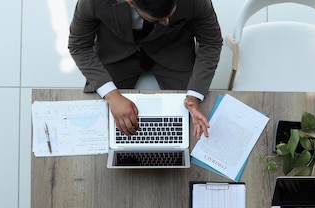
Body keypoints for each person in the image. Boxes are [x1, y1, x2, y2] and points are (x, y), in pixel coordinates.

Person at [68, 0, 223, 139]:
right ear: (130, 2)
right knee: (102, 125)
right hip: (116, 52)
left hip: (172, 49)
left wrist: (194, 96)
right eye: (158, 19)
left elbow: (211, 43)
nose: (167, 21)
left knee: (189, 124)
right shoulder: (92, 2)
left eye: (171, 14)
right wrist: (112, 96)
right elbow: (79, 46)